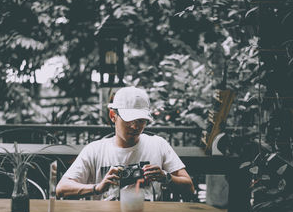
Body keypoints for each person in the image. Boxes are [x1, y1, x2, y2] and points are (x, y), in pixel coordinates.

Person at [56, 86, 195, 201]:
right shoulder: (95, 150)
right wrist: (97, 188)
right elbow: (61, 188)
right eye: (129, 120)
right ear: (113, 116)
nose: (135, 127)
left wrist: (166, 177)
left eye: (141, 120)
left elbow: (189, 187)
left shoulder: (158, 145)